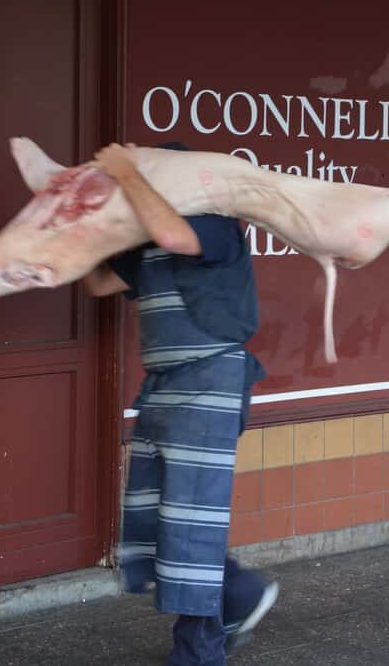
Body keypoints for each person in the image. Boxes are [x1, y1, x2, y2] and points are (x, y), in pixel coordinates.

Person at [84, 142, 278, 666]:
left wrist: (124, 170)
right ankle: (238, 594)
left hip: (211, 382)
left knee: (190, 522)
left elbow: (173, 232)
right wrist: (91, 223)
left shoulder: (212, 224)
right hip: (165, 387)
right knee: (164, 518)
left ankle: (198, 653)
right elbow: (99, 281)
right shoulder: (147, 239)